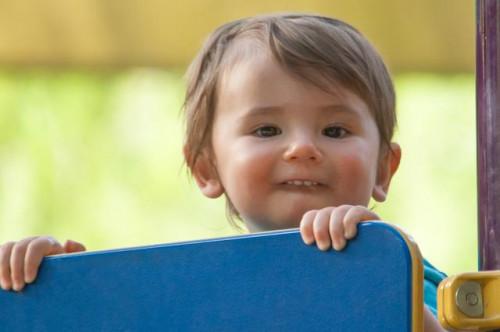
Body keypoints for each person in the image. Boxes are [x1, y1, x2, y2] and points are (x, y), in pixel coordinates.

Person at [0, 13, 448, 331]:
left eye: (335, 129)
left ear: (384, 169)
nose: (303, 148)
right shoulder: (202, 288)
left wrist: (375, 278)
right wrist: (60, 292)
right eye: (266, 128)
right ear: (206, 168)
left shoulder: (406, 273)